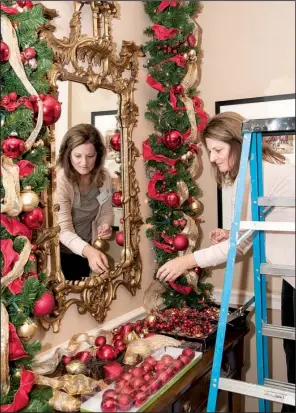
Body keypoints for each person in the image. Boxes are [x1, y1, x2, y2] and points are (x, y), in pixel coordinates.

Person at [156, 112, 295, 411]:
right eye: (210, 152)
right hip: (290, 276)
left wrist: (186, 261)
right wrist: (235, 232)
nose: (214, 159)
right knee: (292, 356)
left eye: (218, 150)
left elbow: (235, 250)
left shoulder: (257, 174)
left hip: (293, 272)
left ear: (238, 143)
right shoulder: (262, 166)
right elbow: (253, 229)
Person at [57, 123, 114, 281]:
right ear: (68, 154)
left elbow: (106, 210)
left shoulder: (104, 177)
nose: (84, 163)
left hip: (87, 245)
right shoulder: (61, 180)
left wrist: (105, 224)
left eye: (90, 156)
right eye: (78, 156)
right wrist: (88, 251)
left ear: (98, 154)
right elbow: (64, 230)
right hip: (60, 251)